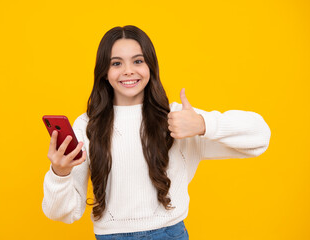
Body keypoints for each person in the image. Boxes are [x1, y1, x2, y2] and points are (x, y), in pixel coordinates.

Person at [42, 25, 271, 240]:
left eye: (138, 61)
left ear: (150, 66)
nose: (129, 71)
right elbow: (63, 213)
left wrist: (203, 124)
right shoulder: (87, 125)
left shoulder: (179, 119)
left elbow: (260, 137)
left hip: (170, 233)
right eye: (116, 63)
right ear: (104, 71)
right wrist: (60, 173)